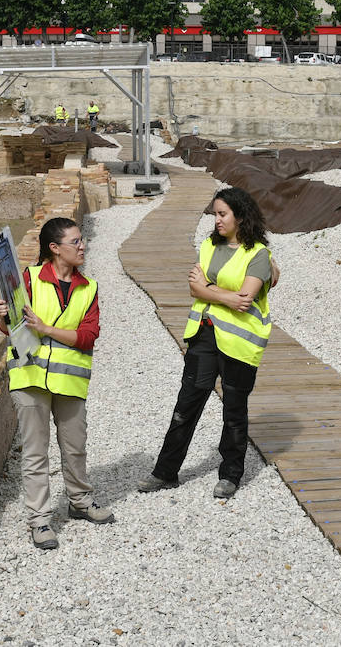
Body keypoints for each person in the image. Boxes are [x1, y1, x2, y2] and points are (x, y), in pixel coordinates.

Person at [138, 187, 278, 499]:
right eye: (215, 214)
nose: (216, 220)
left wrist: (210, 290)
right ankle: (165, 472)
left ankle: (230, 475)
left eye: (222, 214)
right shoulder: (207, 246)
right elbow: (196, 290)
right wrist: (225, 295)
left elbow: (245, 299)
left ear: (240, 217)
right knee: (186, 404)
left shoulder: (258, 255)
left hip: (240, 345)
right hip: (204, 335)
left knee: (234, 409)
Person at [0, 217, 113, 550]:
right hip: (30, 377)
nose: (82, 246)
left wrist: (46, 328)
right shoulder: (28, 280)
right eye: (75, 242)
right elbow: (9, 328)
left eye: (81, 241)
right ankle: (40, 521)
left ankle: (80, 501)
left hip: (70, 380)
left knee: (75, 447)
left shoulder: (88, 287)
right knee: (35, 453)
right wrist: (4, 314)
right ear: (54, 248)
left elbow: (89, 336)